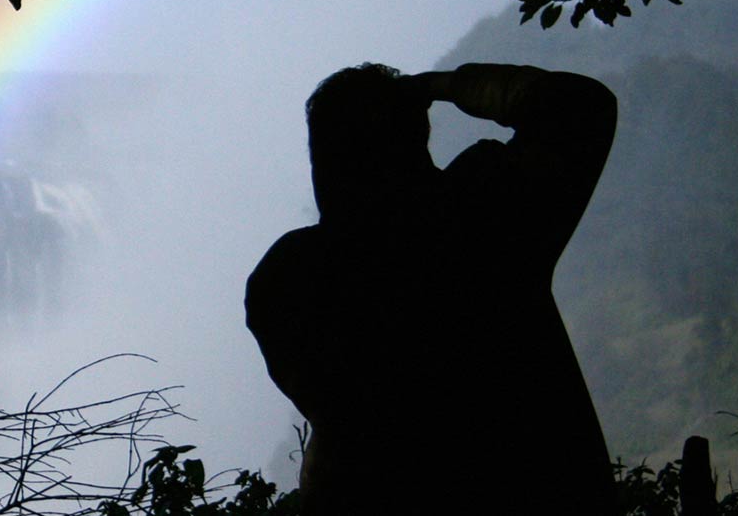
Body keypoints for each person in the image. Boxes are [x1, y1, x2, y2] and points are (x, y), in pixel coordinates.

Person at [245, 63, 618, 515]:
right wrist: (442, 85)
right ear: (416, 134)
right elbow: (578, 105)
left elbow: (338, 416)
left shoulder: (288, 277)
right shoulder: (479, 212)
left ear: (321, 154)